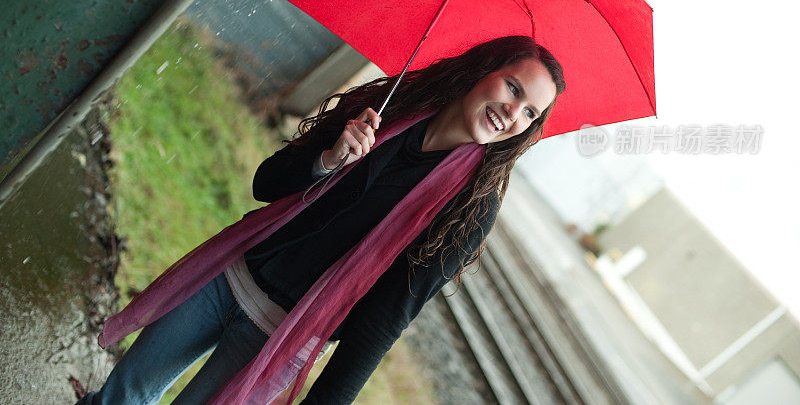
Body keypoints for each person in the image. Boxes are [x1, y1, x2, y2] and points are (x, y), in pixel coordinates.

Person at [76, 35, 566, 404]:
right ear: (483, 69)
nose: (511, 111)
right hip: (225, 281)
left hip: (277, 338)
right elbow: (266, 184)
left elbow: (384, 318)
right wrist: (328, 161)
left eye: (529, 113)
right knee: (121, 394)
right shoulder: (386, 108)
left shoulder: (469, 210)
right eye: (512, 87)